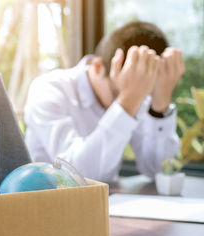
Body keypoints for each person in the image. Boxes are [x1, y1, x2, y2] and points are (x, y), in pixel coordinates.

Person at [23, 21, 185, 182]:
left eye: (141, 94)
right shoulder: (49, 89)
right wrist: (127, 101)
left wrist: (160, 106)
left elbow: (157, 170)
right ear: (98, 66)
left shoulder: (138, 93)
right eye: (118, 92)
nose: (138, 100)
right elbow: (76, 177)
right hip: (45, 200)